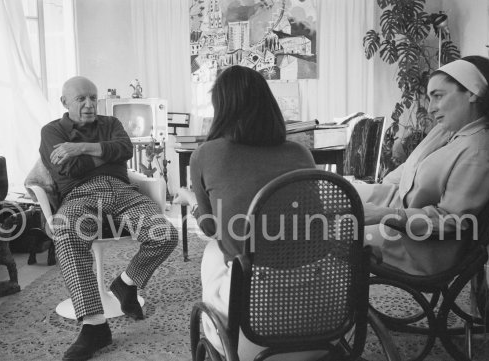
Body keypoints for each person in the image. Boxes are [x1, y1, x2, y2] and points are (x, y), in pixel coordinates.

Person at [175, 65, 318, 360]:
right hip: (322, 320)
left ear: (222, 108)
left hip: (252, 334)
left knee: (215, 251)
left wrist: (190, 199)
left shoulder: (206, 154)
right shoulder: (301, 153)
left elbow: (211, 229)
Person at [39, 76, 178, 361]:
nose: (89, 104)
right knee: (66, 231)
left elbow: (126, 150)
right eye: (81, 99)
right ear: (64, 102)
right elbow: (71, 171)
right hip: (80, 194)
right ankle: (94, 326)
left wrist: (80, 148)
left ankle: (126, 282)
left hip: (123, 190)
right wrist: (108, 154)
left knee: (164, 233)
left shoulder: (111, 124)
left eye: (93, 97)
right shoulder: (51, 131)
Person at [358, 55, 489, 275]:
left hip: (417, 247)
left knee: (324, 227)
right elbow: (408, 169)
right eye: (430, 98)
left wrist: (382, 214)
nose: (430, 108)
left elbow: (451, 221)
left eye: (438, 96)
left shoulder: (481, 152)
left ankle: (314, 297)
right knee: (325, 197)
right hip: (398, 215)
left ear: (473, 93)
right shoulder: (450, 130)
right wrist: (367, 191)